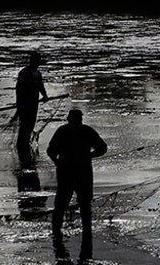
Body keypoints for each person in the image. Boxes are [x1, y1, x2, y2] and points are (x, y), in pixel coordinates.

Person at [45, 107, 107, 258]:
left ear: (68, 119)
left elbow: (50, 151)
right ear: (80, 119)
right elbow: (102, 148)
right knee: (84, 204)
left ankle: (56, 233)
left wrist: (57, 162)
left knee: (61, 203)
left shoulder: (62, 131)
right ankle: (86, 234)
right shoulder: (87, 131)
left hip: (66, 170)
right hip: (83, 171)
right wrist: (88, 156)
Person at [15, 52, 47, 153]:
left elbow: (40, 86)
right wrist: (19, 104)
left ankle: (25, 144)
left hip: (34, 104)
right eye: (35, 61)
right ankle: (21, 145)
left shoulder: (38, 74)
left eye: (38, 61)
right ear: (31, 61)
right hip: (24, 104)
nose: (37, 63)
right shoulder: (24, 73)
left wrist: (45, 95)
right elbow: (19, 89)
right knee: (24, 125)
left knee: (31, 124)